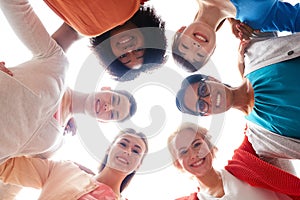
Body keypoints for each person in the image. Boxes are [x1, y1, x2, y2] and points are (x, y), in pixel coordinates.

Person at [0, 0, 137, 165]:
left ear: (104, 121)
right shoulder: (57, 63)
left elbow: (13, 171)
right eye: (114, 100)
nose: (108, 107)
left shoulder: (55, 145)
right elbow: (15, 6)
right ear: (106, 88)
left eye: (113, 114)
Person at [0, 128, 148, 200]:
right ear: (109, 149)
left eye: (136, 151)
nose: (128, 151)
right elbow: (6, 165)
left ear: (138, 165)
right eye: (123, 144)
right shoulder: (64, 170)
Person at [168, 122, 300, 200]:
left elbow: (253, 121)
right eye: (183, 152)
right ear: (178, 163)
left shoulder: (244, 162)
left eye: (197, 144)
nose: (194, 154)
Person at [43, 0, 167, 81]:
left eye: (123, 56)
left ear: (110, 53)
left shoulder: (85, 27)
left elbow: (50, 51)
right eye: (139, 50)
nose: (129, 49)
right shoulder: (135, 2)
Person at [171, 0, 300, 72]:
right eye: (200, 55)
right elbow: (295, 19)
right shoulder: (257, 20)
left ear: (180, 31)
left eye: (185, 46)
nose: (195, 46)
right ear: (213, 50)